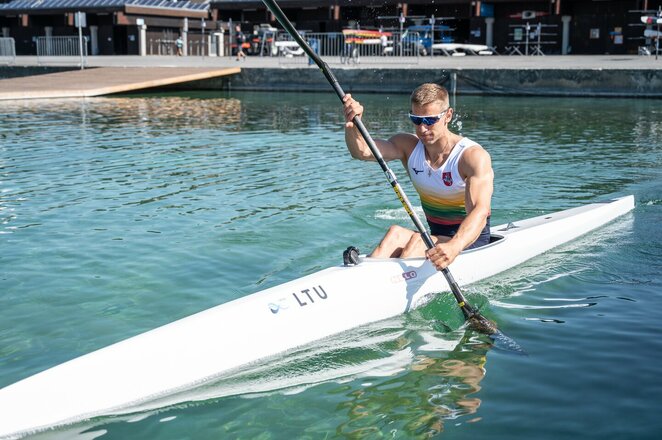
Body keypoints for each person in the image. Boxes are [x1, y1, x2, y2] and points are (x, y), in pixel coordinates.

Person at [342, 83, 493, 270]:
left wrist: (455, 246)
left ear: (448, 115)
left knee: (416, 242)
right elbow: (362, 151)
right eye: (416, 119)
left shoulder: (471, 157)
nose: (422, 128)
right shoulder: (408, 146)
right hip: (437, 237)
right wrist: (352, 125)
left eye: (430, 120)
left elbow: (480, 211)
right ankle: (364, 279)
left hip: (470, 242)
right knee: (394, 234)